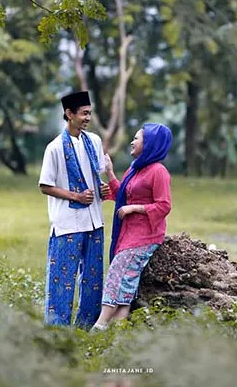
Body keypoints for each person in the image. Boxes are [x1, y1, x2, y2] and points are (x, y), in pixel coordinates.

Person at [38, 91, 110, 328]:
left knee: (93, 278)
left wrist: (102, 190)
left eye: (89, 113)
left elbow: (95, 175)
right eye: (83, 113)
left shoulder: (95, 142)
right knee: (62, 277)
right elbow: (45, 185)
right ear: (69, 114)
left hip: (94, 221)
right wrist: (75, 196)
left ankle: (85, 327)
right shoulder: (55, 148)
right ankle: (56, 329)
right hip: (67, 222)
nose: (88, 118)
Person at [92, 123, 172, 330]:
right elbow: (123, 195)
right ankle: (118, 335)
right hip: (128, 234)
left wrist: (134, 208)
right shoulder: (135, 168)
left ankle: (99, 326)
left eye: (137, 138)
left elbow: (164, 205)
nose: (132, 141)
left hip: (144, 237)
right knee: (126, 283)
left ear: (150, 144)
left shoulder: (158, 172)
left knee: (115, 276)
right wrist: (110, 173)